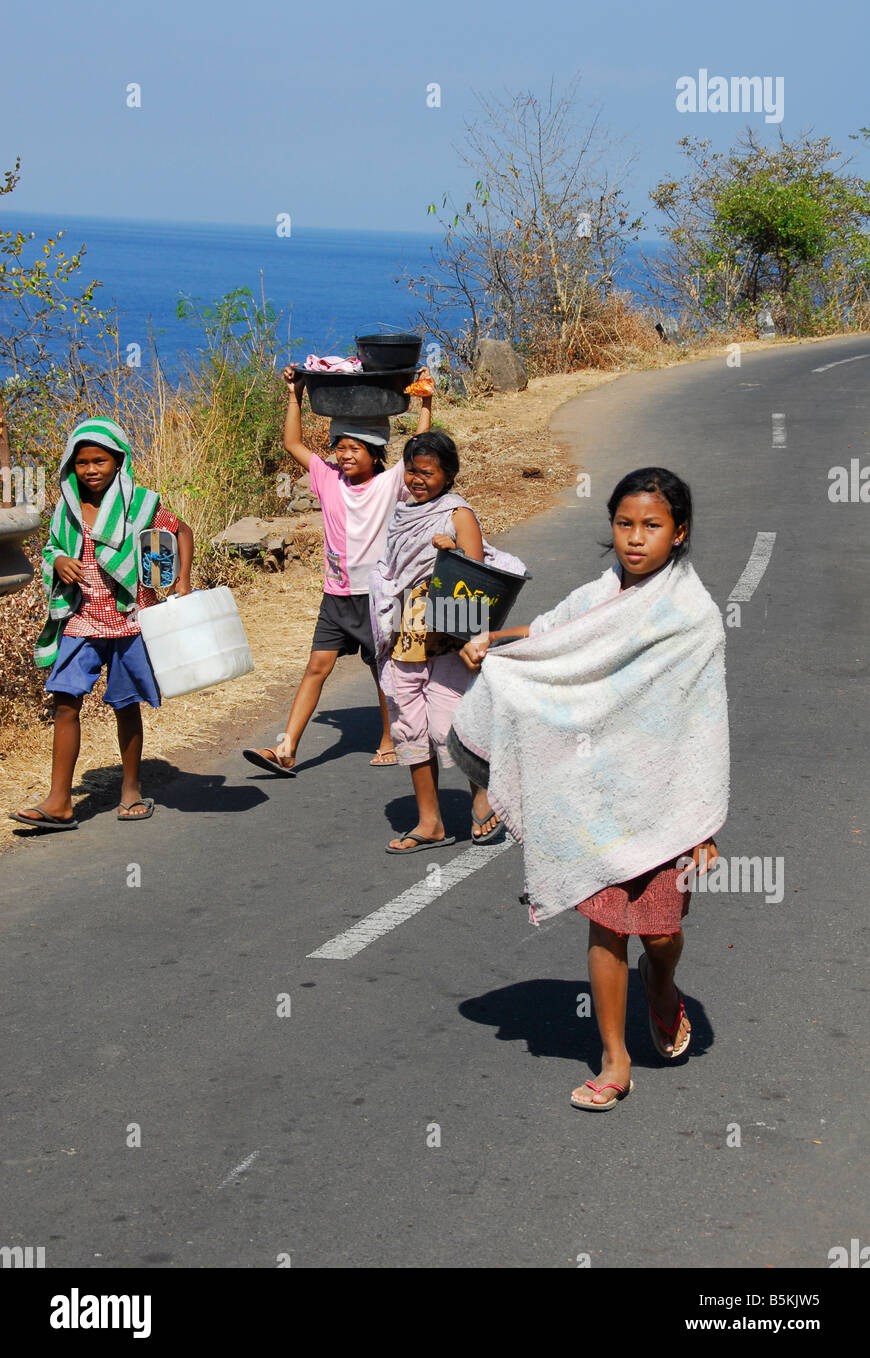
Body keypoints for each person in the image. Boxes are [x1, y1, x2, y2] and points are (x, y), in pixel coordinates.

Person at [450, 468, 729, 1110]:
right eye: (624, 524)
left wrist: (704, 824)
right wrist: (498, 642)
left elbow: (703, 725)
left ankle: (661, 986)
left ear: (678, 533)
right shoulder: (599, 595)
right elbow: (555, 637)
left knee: (658, 934)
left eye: (652, 526)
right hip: (590, 793)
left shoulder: (693, 618)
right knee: (606, 928)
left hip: (661, 800)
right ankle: (613, 1057)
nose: (636, 539)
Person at [12, 417, 193, 830]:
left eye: (100, 460)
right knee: (64, 702)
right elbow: (53, 547)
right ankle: (59, 801)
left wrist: (181, 580)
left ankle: (131, 788)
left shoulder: (142, 503)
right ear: (69, 466)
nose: (91, 470)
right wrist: (57, 561)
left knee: (125, 705)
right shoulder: (67, 507)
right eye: (82, 462)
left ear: (119, 461)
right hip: (82, 619)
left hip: (129, 620)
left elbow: (182, 531)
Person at [242, 367, 420, 777]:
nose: (345, 455)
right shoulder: (327, 478)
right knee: (316, 667)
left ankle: (390, 737)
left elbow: (416, 448)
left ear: (376, 454)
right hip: (336, 596)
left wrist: (424, 401)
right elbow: (292, 443)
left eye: (355, 448)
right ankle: (285, 749)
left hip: (377, 595)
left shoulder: (391, 482)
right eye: (339, 447)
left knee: (383, 669)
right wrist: (295, 394)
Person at [369, 430, 527, 852]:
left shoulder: (458, 514)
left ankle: (483, 796)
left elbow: (474, 582)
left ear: (449, 474)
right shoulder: (402, 512)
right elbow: (393, 570)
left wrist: (451, 549)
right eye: (412, 470)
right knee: (408, 730)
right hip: (406, 637)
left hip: (448, 638)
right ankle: (429, 823)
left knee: (450, 727)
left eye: (428, 472)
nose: (417, 479)